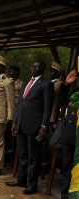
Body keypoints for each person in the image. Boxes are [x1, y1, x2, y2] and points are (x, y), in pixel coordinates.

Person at [6, 60, 54, 195]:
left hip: (35, 126)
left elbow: (47, 107)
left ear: (42, 69)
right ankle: (21, 180)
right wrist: (15, 121)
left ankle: (32, 185)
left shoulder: (46, 84)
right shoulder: (26, 82)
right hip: (21, 124)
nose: (32, 68)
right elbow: (20, 103)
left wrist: (44, 126)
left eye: (36, 66)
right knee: (22, 154)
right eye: (32, 65)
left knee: (33, 157)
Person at [56, 69, 77, 199]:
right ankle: (65, 195)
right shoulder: (75, 91)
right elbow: (61, 102)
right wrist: (67, 84)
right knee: (67, 167)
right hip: (69, 134)